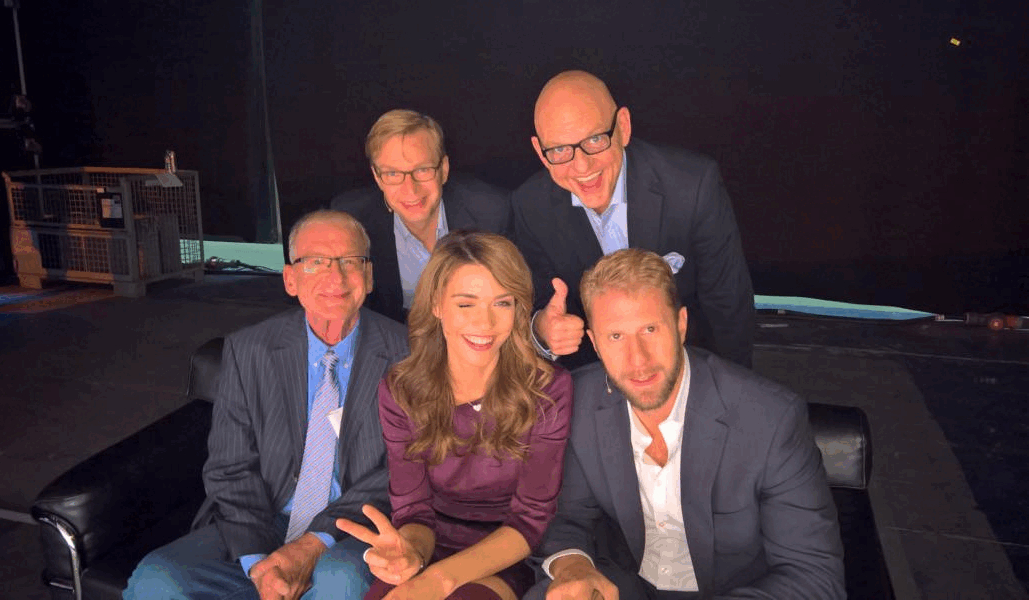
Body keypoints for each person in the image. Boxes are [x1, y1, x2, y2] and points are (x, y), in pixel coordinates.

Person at [526, 248, 844, 600]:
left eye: (650, 329)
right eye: (616, 336)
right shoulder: (577, 401)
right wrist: (574, 566)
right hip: (625, 584)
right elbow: (567, 518)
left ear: (681, 325)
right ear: (595, 344)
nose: (638, 360)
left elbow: (813, 577)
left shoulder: (771, 419)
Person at [124, 210, 409, 600]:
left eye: (350, 262)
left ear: (370, 276)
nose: (336, 278)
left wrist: (313, 543)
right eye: (316, 263)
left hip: (351, 527)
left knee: (341, 583)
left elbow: (404, 467)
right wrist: (258, 563)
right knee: (156, 580)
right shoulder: (249, 350)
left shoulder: (409, 354)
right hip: (260, 519)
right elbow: (230, 465)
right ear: (290, 279)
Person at [336, 231, 574, 600]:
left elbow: (529, 521)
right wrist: (410, 556)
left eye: (502, 303)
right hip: (430, 545)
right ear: (436, 305)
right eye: (466, 304)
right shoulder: (401, 388)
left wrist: (439, 581)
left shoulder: (548, 389)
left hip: (507, 554)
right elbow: (414, 510)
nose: (485, 322)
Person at [512, 70, 756, 370]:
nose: (582, 166)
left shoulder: (692, 187)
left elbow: (729, 311)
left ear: (623, 127)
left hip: (687, 368)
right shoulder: (530, 206)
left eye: (595, 139)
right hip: (595, 378)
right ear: (540, 152)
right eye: (560, 149)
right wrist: (542, 328)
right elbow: (540, 305)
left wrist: (724, 394)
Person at [332, 109, 512, 323]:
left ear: (444, 169)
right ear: (377, 177)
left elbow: (510, 299)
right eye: (393, 173)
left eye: (423, 170)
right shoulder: (352, 220)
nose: (411, 189)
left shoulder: (490, 212)